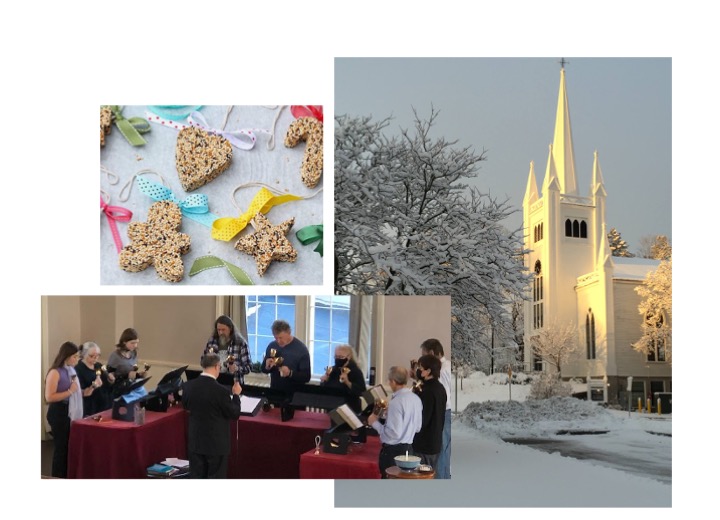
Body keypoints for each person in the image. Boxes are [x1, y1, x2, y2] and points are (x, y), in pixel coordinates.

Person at [182, 353, 243, 478]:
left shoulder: (188, 386)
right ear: (217, 366)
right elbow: (234, 414)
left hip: (196, 443)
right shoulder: (221, 391)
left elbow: (186, 406)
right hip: (216, 444)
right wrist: (236, 395)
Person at [367, 366, 422, 478]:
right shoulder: (416, 399)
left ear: (393, 381)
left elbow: (393, 433)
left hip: (393, 453)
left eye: (389, 380)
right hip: (409, 450)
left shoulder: (396, 402)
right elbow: (417, 427)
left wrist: (374, 423)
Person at [44, 341, 83, 478]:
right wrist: (70, 392)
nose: (77, 359)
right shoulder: (55, 372)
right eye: (75, 356)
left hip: (68, 410)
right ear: (66, 356)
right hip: (59, 412)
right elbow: (49, 397)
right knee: (61, 448)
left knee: (68, 447)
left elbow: (76, 392)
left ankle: (67, 475)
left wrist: (88, 390)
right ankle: (57, 477)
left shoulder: (70, 370)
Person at [419, 338, 452, 479]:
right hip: (446, 411)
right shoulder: (448, 365)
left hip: (443, 411)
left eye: (424, 355)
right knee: (445, 450)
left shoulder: (442, 370)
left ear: (432, 353)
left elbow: (438, 395)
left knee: (440, 451)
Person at [412, 354, 447, 472]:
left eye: (420, 368)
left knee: (420, 477)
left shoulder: (427, 391)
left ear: (428, 371)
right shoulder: (440, 388)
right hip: (435, 442)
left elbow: (422, 419)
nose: (418, 370)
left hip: (424, 444)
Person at [261, 320, 310, 397]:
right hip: (275, 392)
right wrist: (267, 366)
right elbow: (263, 369)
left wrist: (290, 373)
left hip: (295, 396)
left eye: (281, 337)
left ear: (289, 332)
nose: (278, 341)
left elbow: (306, 377)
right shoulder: (272, 346)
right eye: (276, 338)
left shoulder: (301, 350)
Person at [202, 315, 251, 384]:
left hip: (234, 382)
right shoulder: (212, 342)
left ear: (230, 329)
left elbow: (248, 367)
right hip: (214, 381)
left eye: (223, 330)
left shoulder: (240, 343)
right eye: (218, 330)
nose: (221, 332)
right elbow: (203, 360)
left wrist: (236, 368)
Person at [319, 344, 366, 413]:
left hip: (350, 408)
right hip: (333, 407)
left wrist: (347, 382)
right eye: (336, 356)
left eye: (341, 357)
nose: (338, 359)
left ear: (349, 357)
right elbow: (327, 390)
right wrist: (324, 381)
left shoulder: (355, 371)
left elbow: (362, 391)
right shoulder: (333, 369)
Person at [76, 342, 115, 416]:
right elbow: (81, 393)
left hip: (105, 406)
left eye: (98, 355)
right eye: (92, 356)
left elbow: (107, 385)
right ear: (84, 354)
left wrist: (110, 380)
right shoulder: (78, 369)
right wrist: (94, 386)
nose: (95, 358)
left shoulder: (99, 365)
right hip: (91, 409)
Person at [107, 328, 148, 396]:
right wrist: (127, 376)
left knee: (143, 394)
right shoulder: (115, 356)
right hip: (119, 389)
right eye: (132, 343)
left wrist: (139, 375)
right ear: (124, 342)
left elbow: (131, 373)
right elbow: (109, 378)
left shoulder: (133, 353)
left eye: (136, 343)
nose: (135, 345)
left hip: (129, 385)